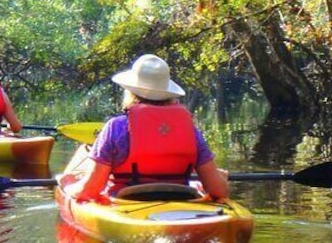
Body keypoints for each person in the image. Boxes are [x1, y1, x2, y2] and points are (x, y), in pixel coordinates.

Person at [64, 54, 229, 201]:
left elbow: (89, 191)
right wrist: (221, 179)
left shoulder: (117, 127)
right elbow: (218, 191)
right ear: (169, 94)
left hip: (126, 203)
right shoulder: (190, 130)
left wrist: (68, 186)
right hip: (181, 200)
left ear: (130, 93)